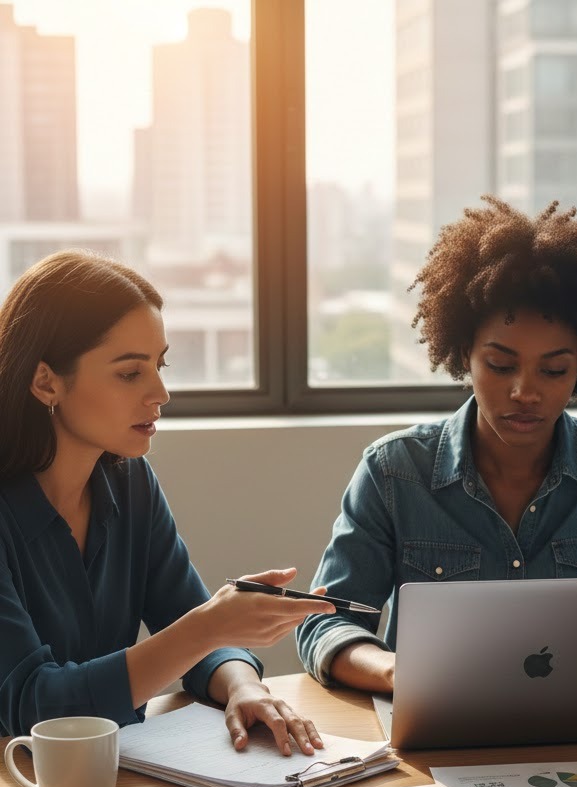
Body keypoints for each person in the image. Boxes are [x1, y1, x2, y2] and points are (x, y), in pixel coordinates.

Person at [296, 196, 577, 692]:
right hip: (437, 735)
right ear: (465, 352)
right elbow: (324, 620)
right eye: (501, 365)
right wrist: (397, 672)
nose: (524, 392)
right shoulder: (394, 471)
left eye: (553, 370)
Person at [0, 250, 334, 755]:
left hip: (105, 779)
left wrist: (242, 686)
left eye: (160, 365)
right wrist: (208, 625)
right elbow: (35, 707)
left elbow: (192, 626)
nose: (161, 393)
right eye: (130, 373)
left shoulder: (131, 484)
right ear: (46, 381)